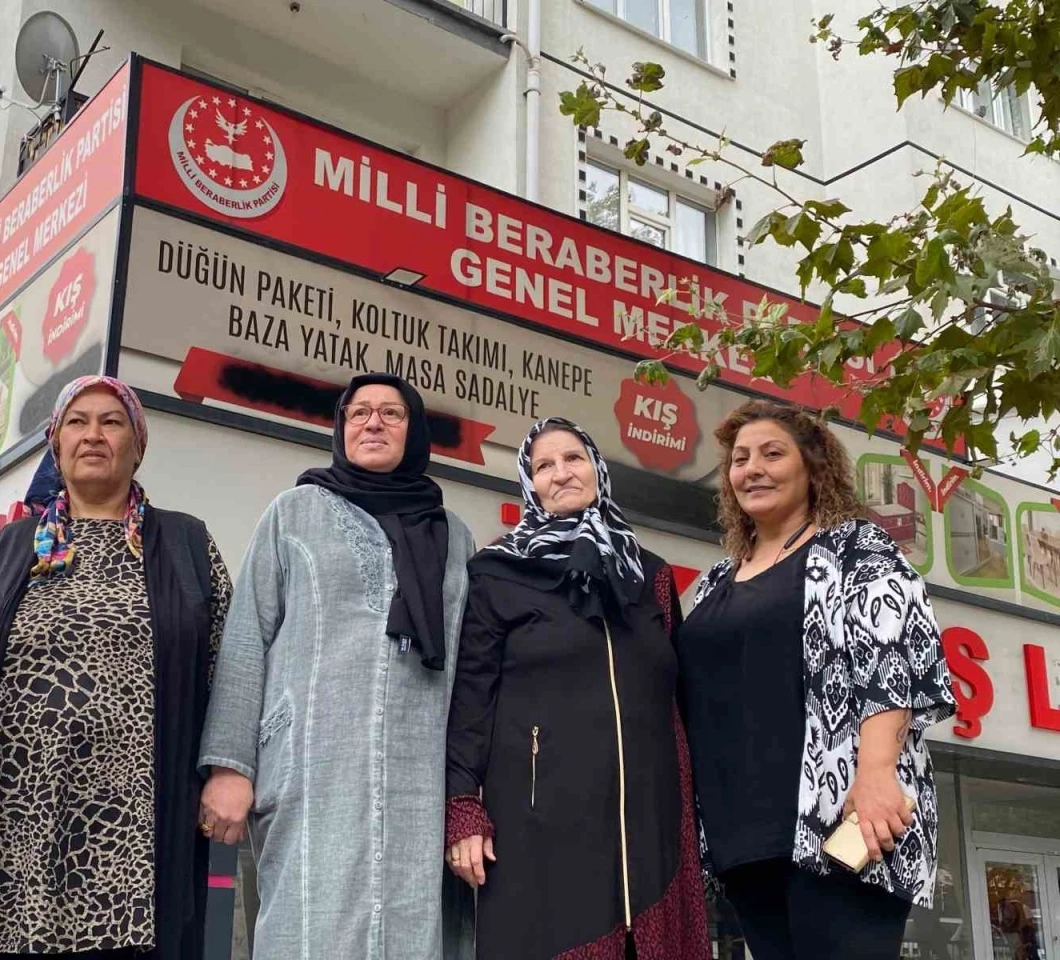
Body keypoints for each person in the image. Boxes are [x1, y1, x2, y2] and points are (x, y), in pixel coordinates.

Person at [0, 375, 233, 960]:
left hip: (138, 828)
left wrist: (227, 769)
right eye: (77, 422)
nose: (94, 435)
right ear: (56, 445)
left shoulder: (186, 543)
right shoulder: (12, 547)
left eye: (112, 422)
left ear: (138, 444)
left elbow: (229, 668)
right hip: (10, 818)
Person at [198, 373, 477, 960]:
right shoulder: (293, 513)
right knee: (307, 927)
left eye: (392, 413)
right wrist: (229, 765)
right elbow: (246, 637)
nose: (373, 422)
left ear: (414, 432)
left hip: (420, 779)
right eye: (359, 412)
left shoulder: (454, 537)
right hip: (310, 766)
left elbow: (470, 669)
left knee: (410, 929)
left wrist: (466, 795)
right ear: (341, 428)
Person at [678, 400, 957, 960]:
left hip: (840, 821)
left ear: (812, 466)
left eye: (772, 454)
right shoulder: (714, 582)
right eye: (740, 459)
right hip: (743, 838)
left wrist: (875, 775)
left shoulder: (856, 547)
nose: (752, 469)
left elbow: (892, 659)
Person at [444, 417, 710, 960]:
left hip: (652, 825)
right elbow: (470, 700)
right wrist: (462, 807)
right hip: (541, 825)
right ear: (529, 483)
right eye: (543, 465)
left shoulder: (649, 575)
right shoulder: (498, 573)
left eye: (573, 458)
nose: (561, 473)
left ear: (598, 469)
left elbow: (679, 703)